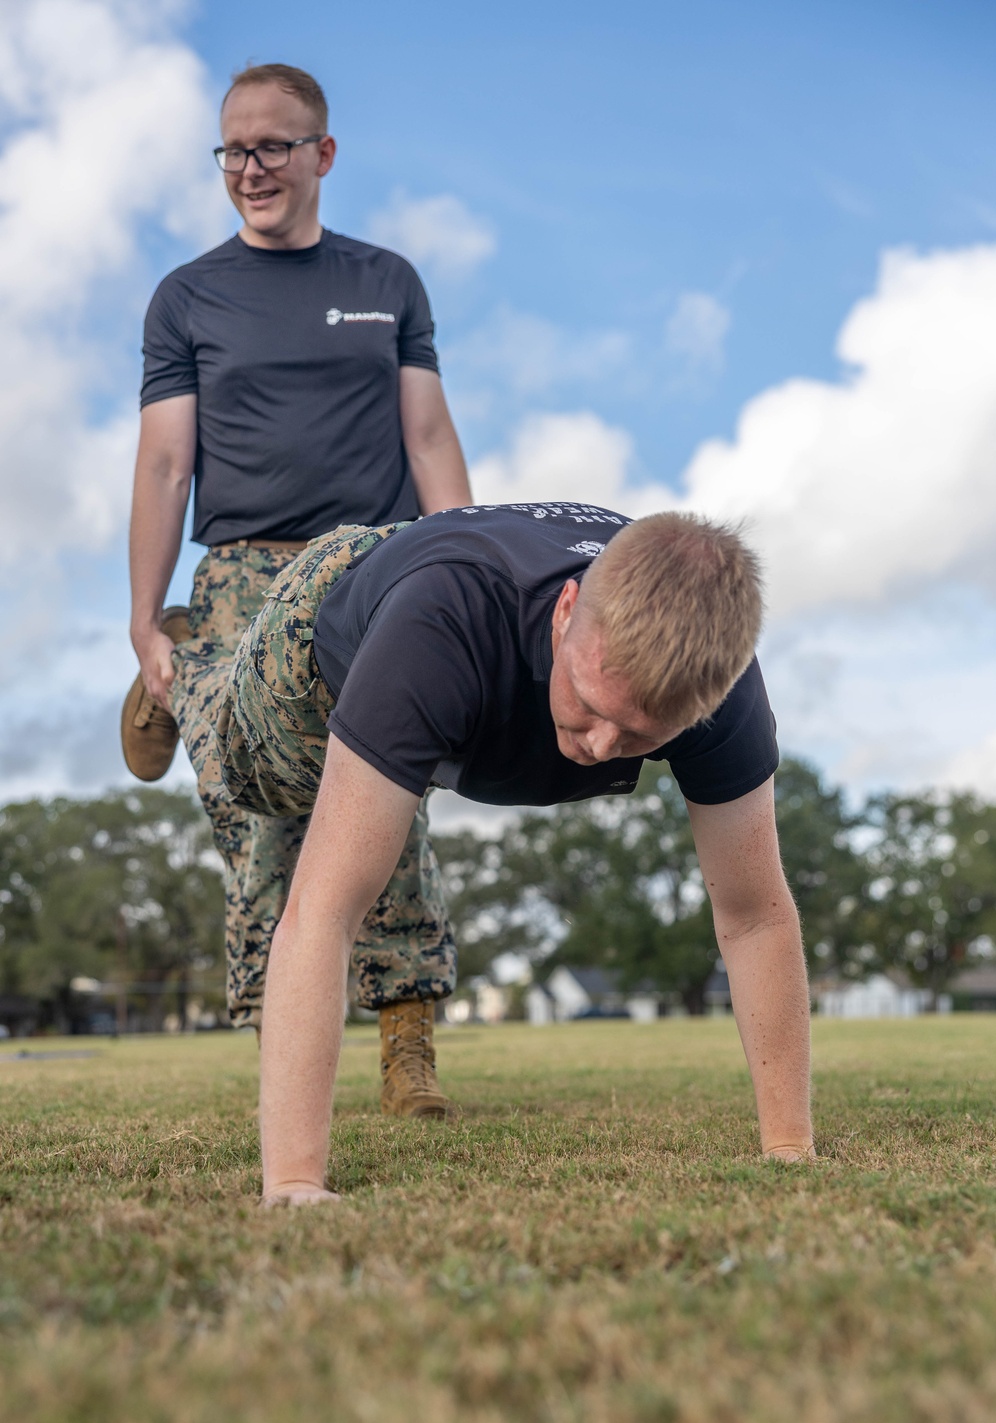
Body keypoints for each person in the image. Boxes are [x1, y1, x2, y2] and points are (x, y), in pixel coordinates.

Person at [203, 500, 816, 1206]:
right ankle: (182, 676)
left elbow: (755, 918)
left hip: (449, 618)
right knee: (246, 785)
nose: (599, 748)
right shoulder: (438, 626)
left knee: (377, 809)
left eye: (640, 737)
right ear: (565, 612)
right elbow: (322, 911)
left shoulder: (718, 681)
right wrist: (293, 1182)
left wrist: (788, 1148)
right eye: (590, 702)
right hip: (316, 636)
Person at [121, 63, 472, 1117]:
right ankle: (170, 676)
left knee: (386, 797)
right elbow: (164, 463)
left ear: (322, 154)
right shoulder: (186, 297)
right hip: (238, 576)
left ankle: (407, 1047)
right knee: (264, 812)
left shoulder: (388, 283)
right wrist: (142, 617)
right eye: (233, 148)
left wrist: (465, 564)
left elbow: (427, 434)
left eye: (274, 145)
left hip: (369, 570)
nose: (252, 166)